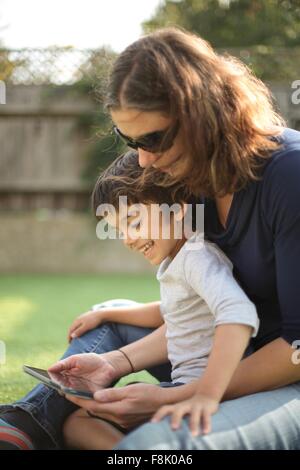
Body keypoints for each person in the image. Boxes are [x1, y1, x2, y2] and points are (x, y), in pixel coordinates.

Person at [1, 26, 300, 450]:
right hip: (218, 352)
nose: (143, 158)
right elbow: (192, 312)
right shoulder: (190, 177)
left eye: (154, 139)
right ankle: (26, 424)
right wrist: (114, 363)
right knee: (109, 316)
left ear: (203, 115)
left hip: (284, 377)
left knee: (161, 443)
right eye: (130, 140)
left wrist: (180, 395)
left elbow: (295, 347)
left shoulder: (290, 176)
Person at [57, 150, 258, 449]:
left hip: (203, 390)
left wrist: (205, 394)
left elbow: (239, 312)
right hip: (184, 384)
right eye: (119, 230)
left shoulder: (196, 257)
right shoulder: (177, 257)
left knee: (80, 424)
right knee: (79, 423)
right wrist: (107, 315)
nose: (127, 238)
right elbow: (173, 314)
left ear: (176, 208)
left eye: (133, 222)